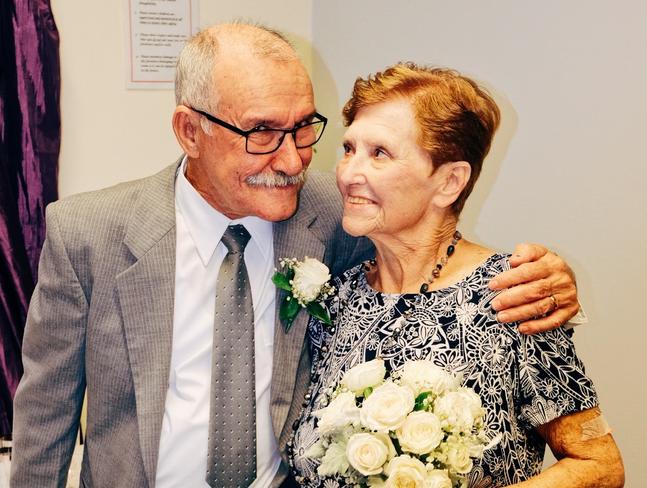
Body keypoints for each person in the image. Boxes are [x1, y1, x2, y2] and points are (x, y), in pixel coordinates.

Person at [11, 24, 581, 488]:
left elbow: (432, 246)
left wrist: (549, 275)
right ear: (189, 131)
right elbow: (44, 421)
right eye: (261, 132)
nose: (291, 161)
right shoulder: (89, 233)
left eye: (304, 128)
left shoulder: (339, 211)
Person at [290, 64, 624, 487]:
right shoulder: (337, 299)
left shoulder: (512, 295)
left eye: (379, 153)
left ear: (449, 182)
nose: (348, 173)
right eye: (349, 148)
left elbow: (600, 465)